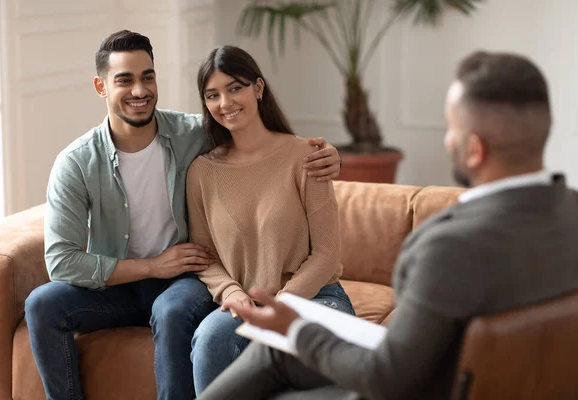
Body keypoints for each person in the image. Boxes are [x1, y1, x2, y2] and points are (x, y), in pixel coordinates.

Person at [197, 51, 578, 400]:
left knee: (277, 359)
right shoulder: (569, 211)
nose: (448, 140)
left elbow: (386, 377)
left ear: (474, 149)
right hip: (479, 378)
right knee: (274, 359)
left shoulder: (447, 246)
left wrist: (295, 328)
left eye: (450, 128)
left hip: (415, 387)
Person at [23, 30, 342, 400]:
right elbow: (61, 262)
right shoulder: (77, 163)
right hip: (119, 284)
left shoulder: (194, 133)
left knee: (173, 310)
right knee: (41, 304)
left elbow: (256, 144)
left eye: (147, 76)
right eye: (124, 80)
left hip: (181, 283)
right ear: (101, 86)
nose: (139, 91)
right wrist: (153, 266)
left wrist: (330, 157)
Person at [185, 45, 356, 395]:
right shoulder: (201, 172)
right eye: (212, 95)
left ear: (258, 89)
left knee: (286, 353)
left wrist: (278, 305)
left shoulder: (306, 156)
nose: (226, 103)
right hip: (244, 305)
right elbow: (204, 255)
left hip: (316, 297)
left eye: (235, 88)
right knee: (208, 339)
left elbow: (326, 255)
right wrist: (232, 292)